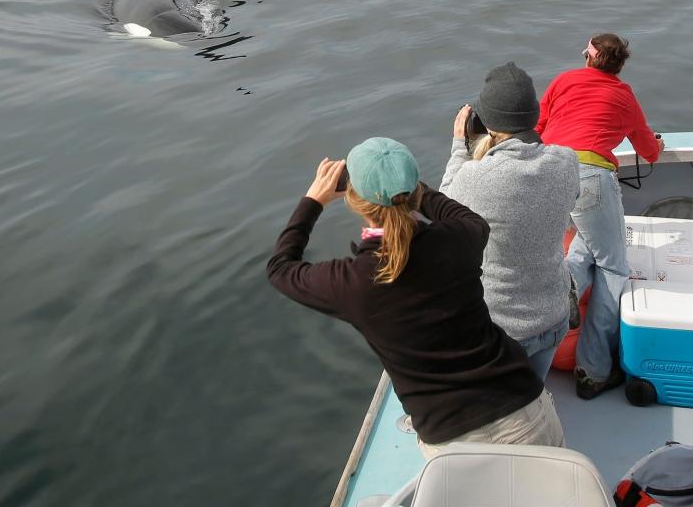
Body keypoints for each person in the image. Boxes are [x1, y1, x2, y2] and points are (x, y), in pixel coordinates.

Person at [266, 137, 566, 458]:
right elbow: (467, 218)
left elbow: (281, 268)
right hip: (527, 415)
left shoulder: (353, 282)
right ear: (413, 192)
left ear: (353, 200)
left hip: (453, 445)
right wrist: (411, 189)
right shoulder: (460, 238)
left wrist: (313, 200)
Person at [536, 34, 664, 399]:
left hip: (549, 171)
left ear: (588, 59)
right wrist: (658, 145)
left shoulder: (563, 80)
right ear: (619, 65)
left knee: (586, 247)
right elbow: (649, 151)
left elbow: (540, 129)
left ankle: (565, 289)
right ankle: (592, 372)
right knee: (613, 267)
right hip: (589, 177)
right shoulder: (623, 95)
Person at [439, 62, 579, 380]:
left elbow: (445, 212)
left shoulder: (476, 177)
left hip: (503, 331)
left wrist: (459, 147)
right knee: (533, 393)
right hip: (553, 319)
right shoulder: (567, 161)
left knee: (503, 415)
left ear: (488, 124)